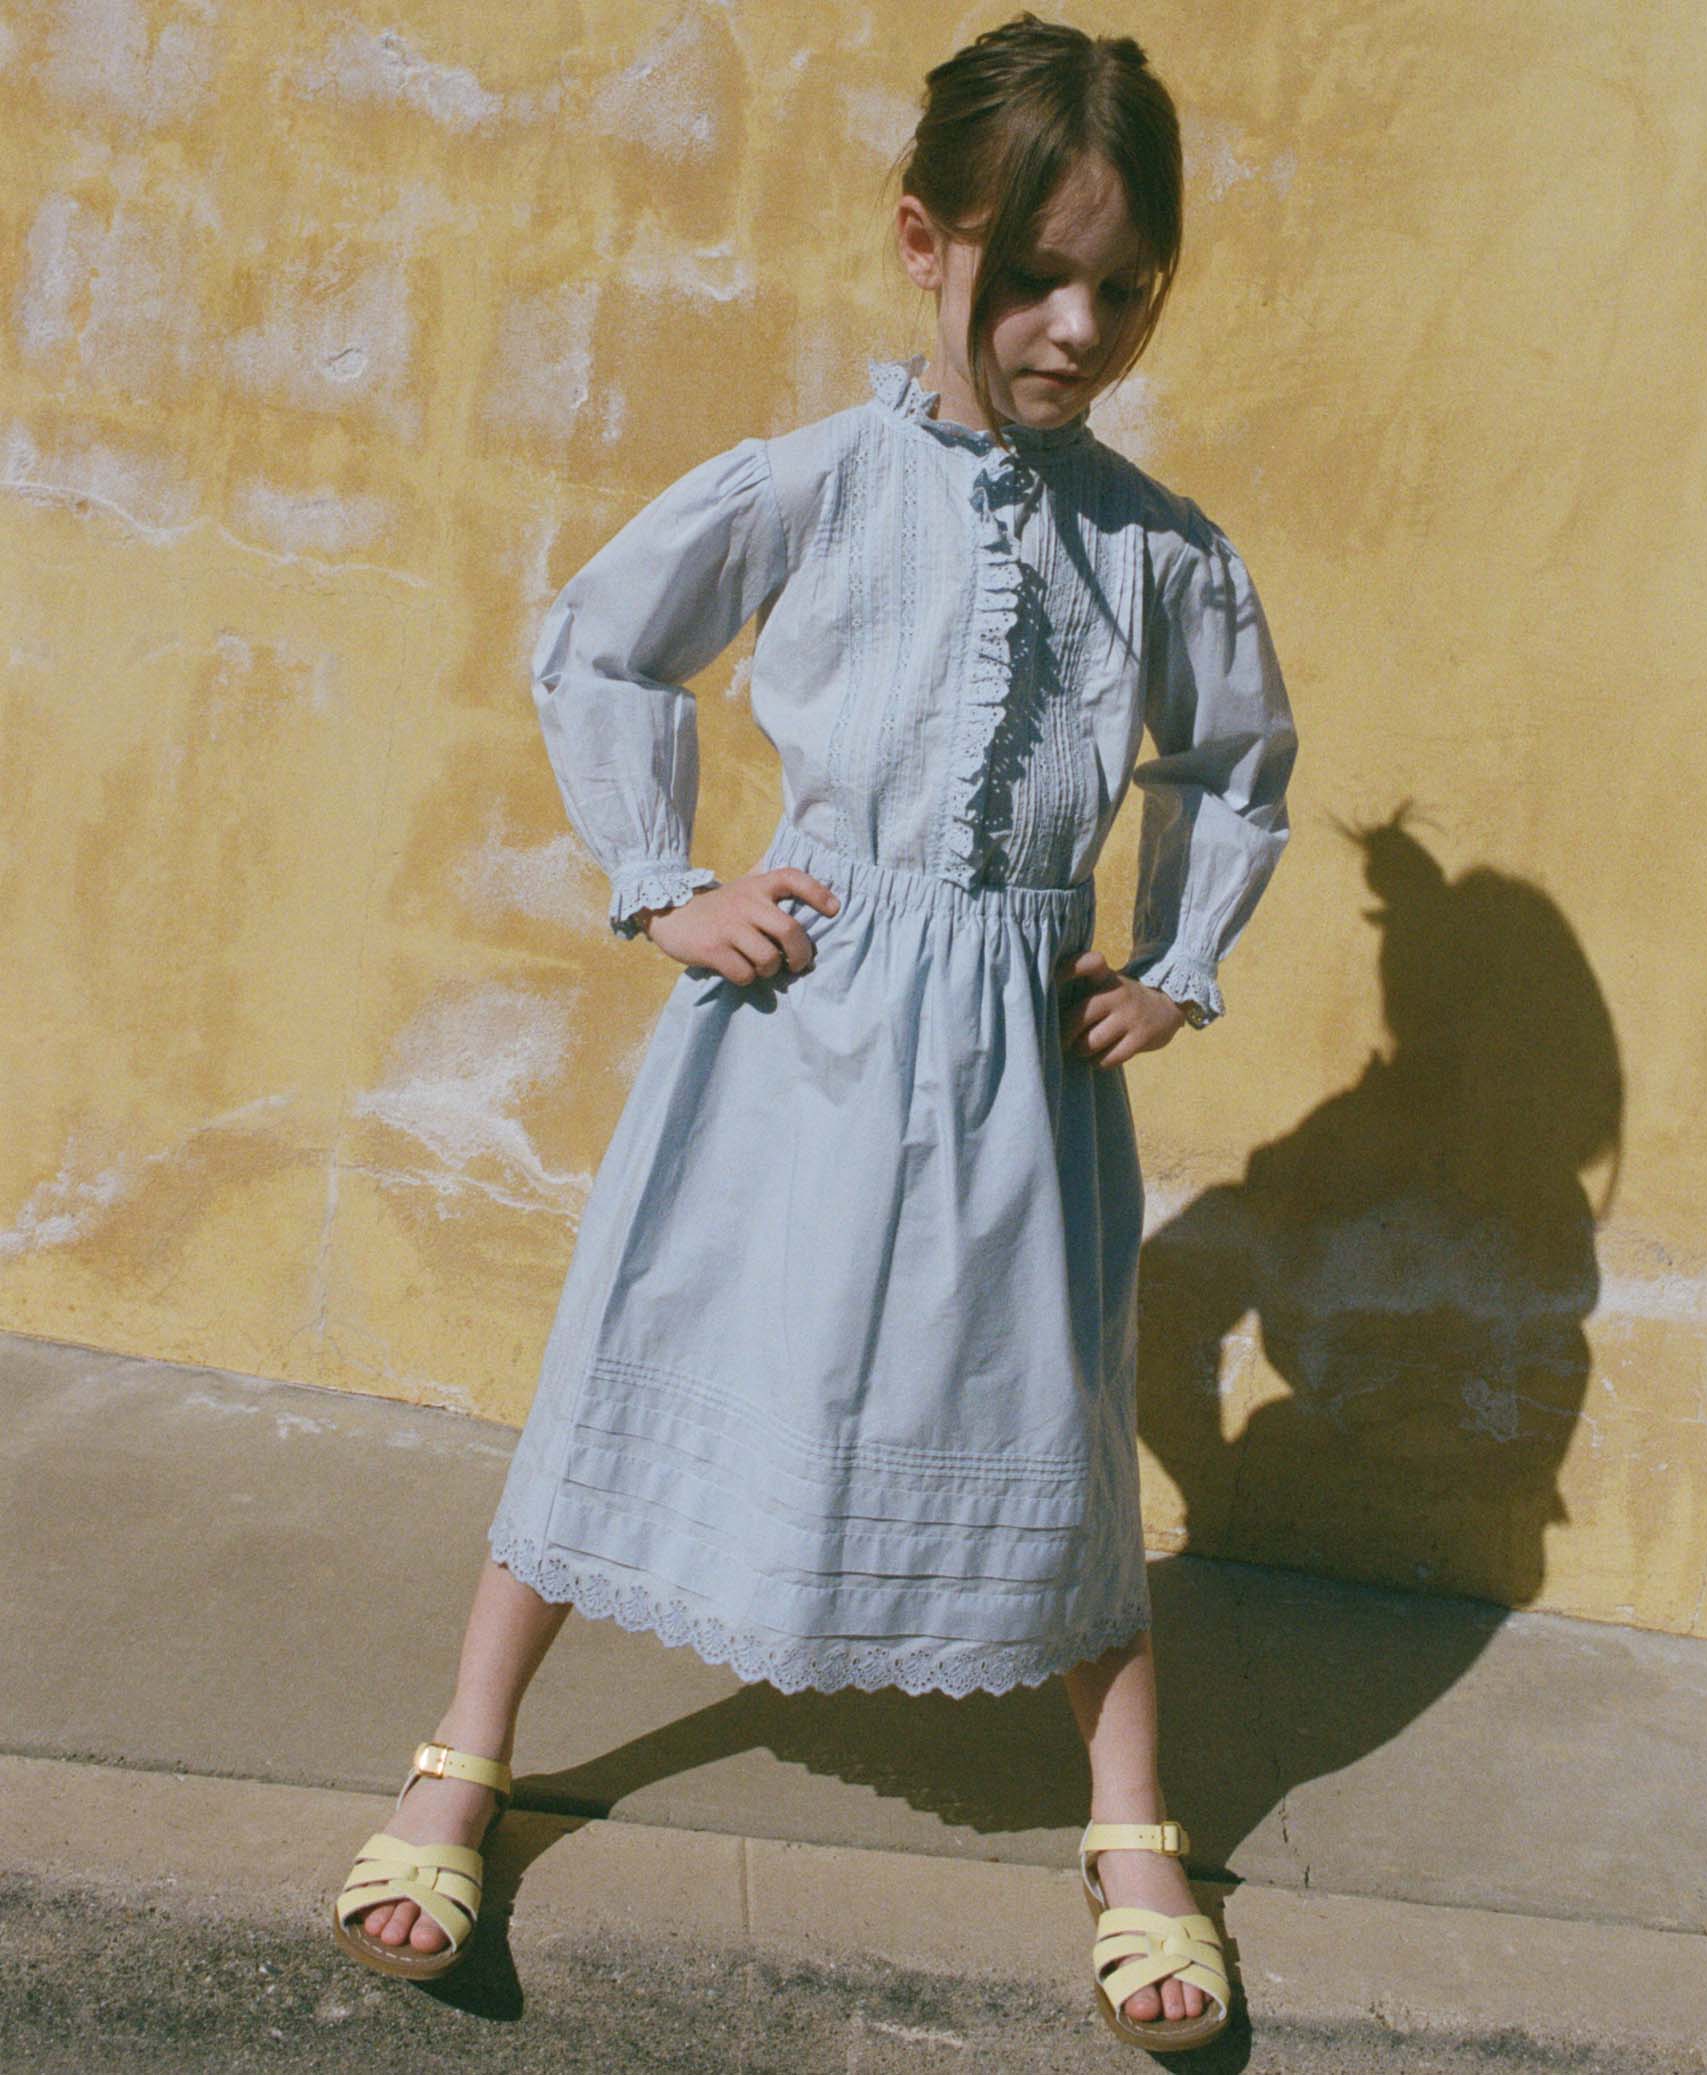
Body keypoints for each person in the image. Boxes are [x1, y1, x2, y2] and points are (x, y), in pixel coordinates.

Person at [331, 11, 1296, 2052]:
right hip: (797, 1021)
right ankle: (461, 1757)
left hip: (1018, 1059)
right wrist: (664, 882)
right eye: (1034, 274)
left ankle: (1133, 1831)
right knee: (652, 1343)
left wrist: (1174, 957)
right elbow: (605, 639)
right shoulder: (817, 480)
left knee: (1047, 1417)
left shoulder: (1157, 545)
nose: (1075, 326)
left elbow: (1235, 764)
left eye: (1122, 288)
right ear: (923, 245)